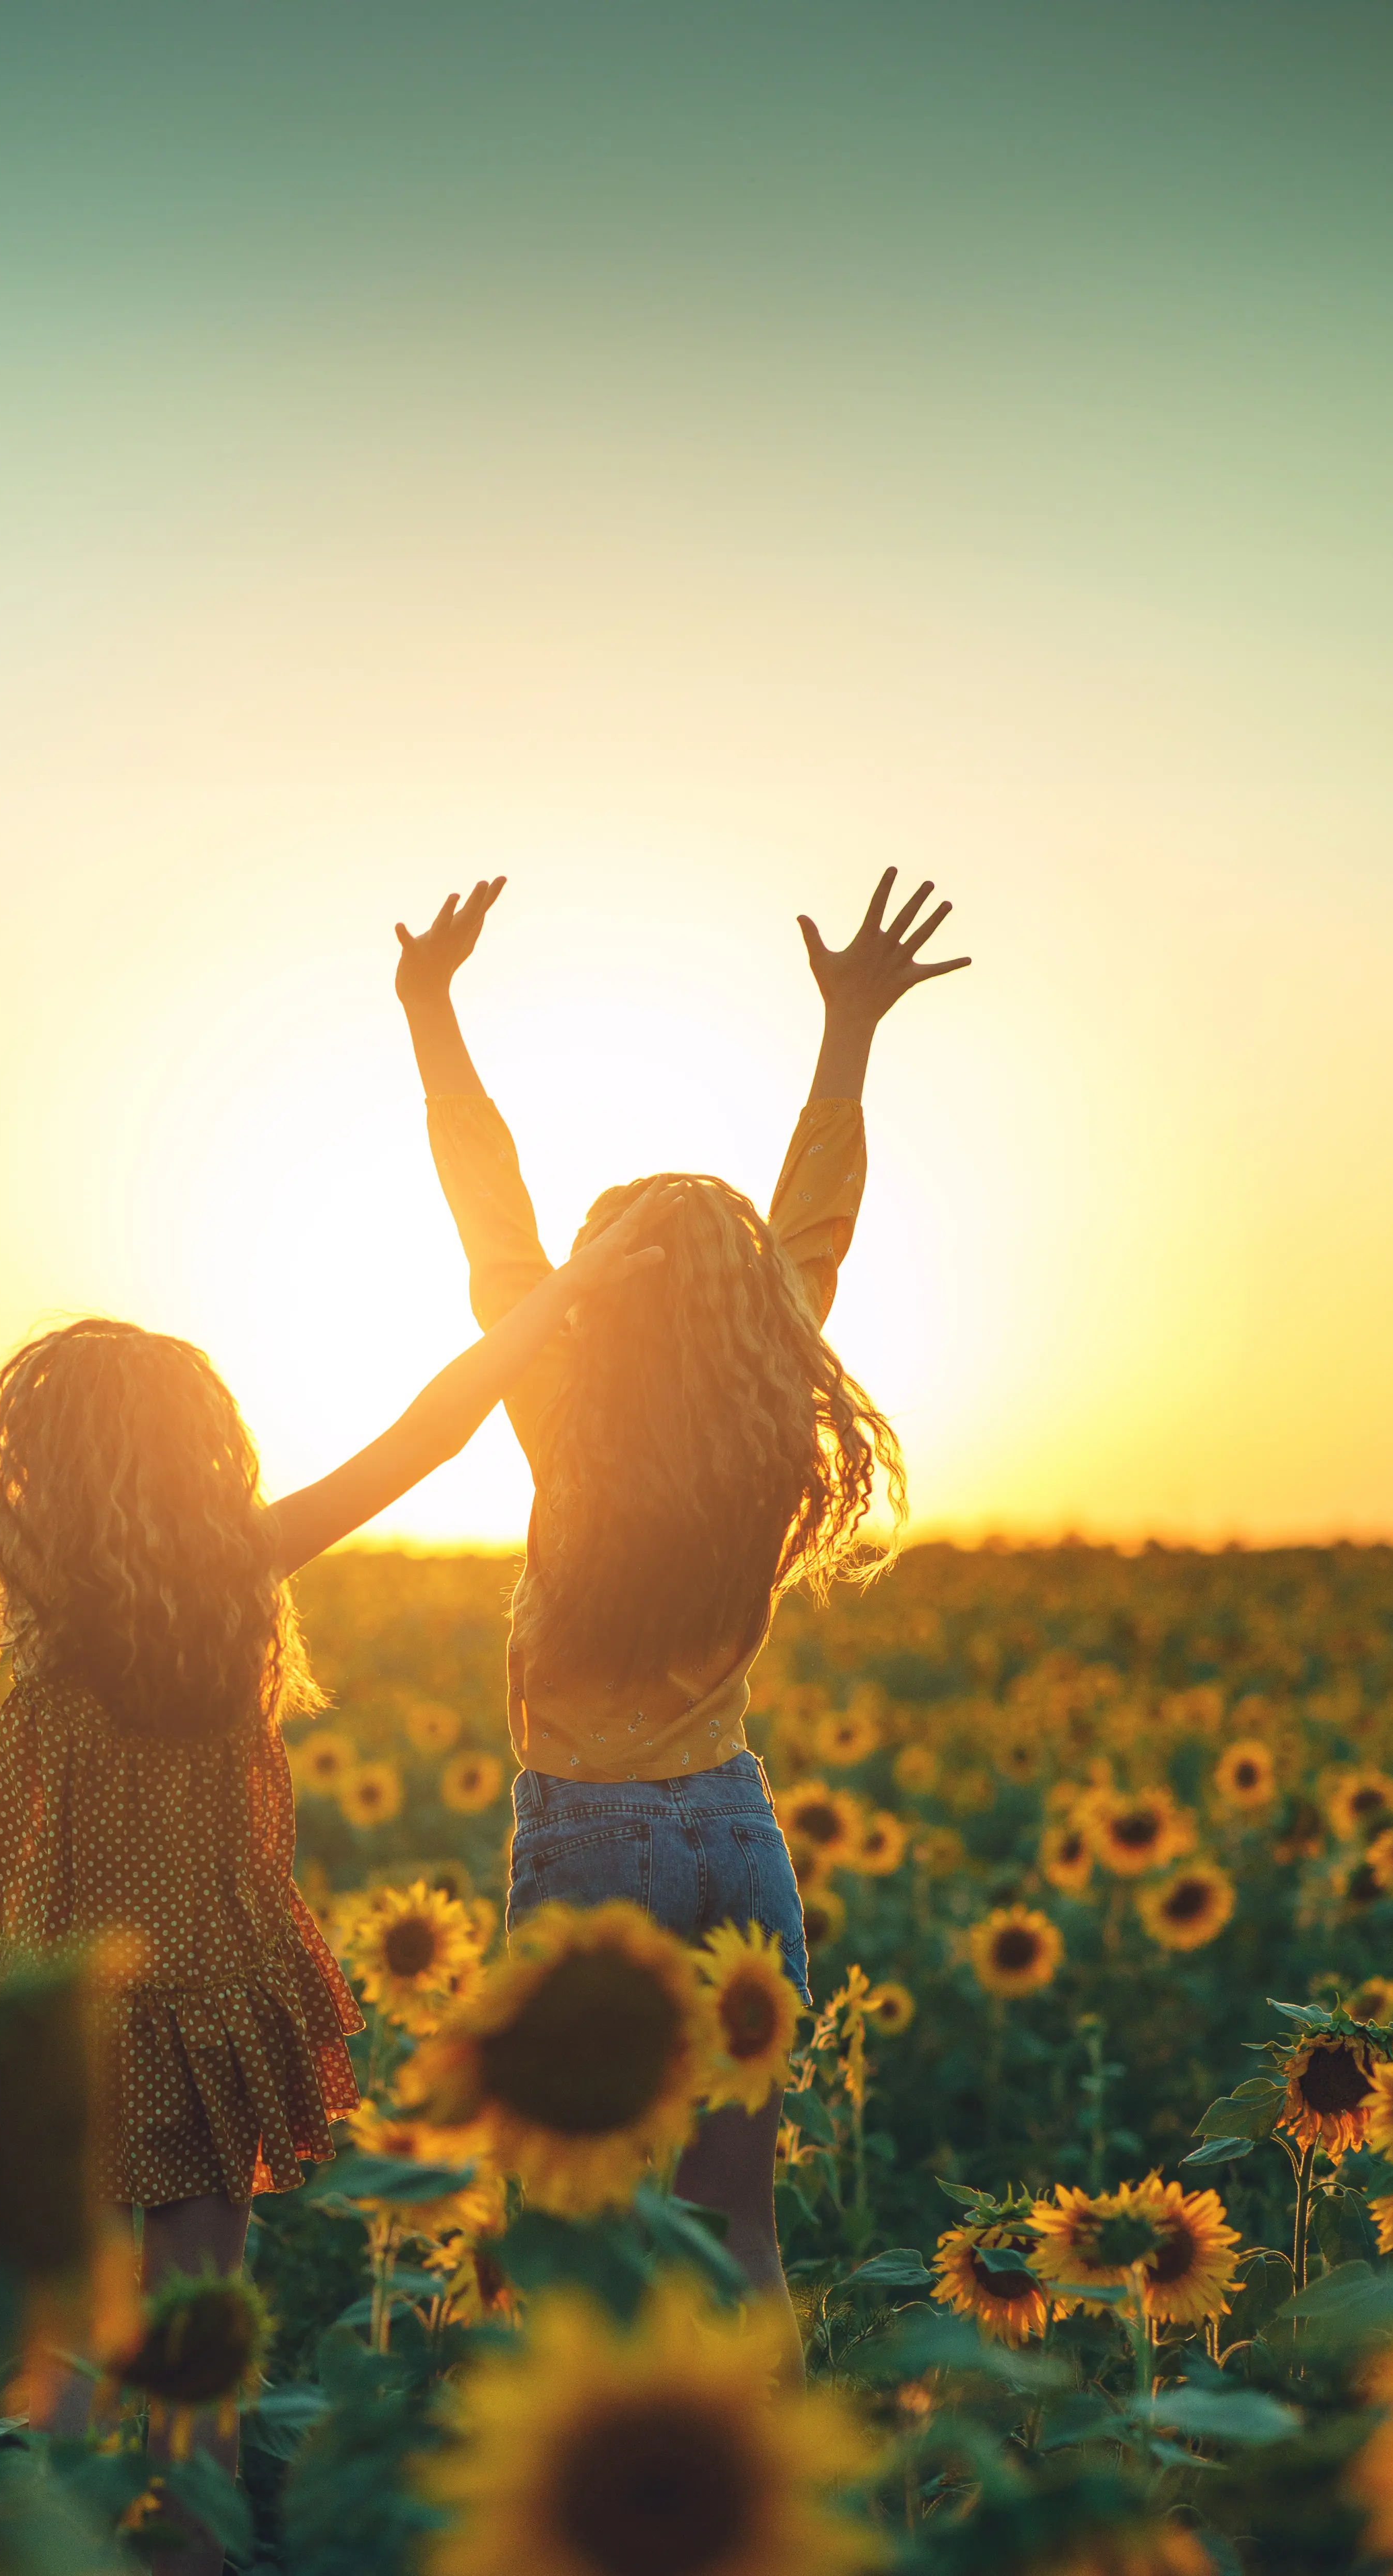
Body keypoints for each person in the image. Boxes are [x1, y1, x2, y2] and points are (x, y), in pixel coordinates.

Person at [0, 1172, 653, 2453]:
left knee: (62, 2325)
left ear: (48, 1458)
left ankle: (77, 2531)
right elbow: (427, 1435)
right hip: (211, 1992)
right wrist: (559, 1297)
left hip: (58, 2015)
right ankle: (189, 2542)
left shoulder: (38, 1567)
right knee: (200, 2318)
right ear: (198, 1451)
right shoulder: (245, 1566)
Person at [390, 867, 964, 2301]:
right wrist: (849, 1030)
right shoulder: (772, 1408)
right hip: (738, 1838)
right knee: (738, 2231)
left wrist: (428, 1009)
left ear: (599, 1293)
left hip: (592, 1851)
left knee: (561, 2231)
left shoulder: (564, 1411)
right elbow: (814, 1221)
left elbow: (486, 1210)